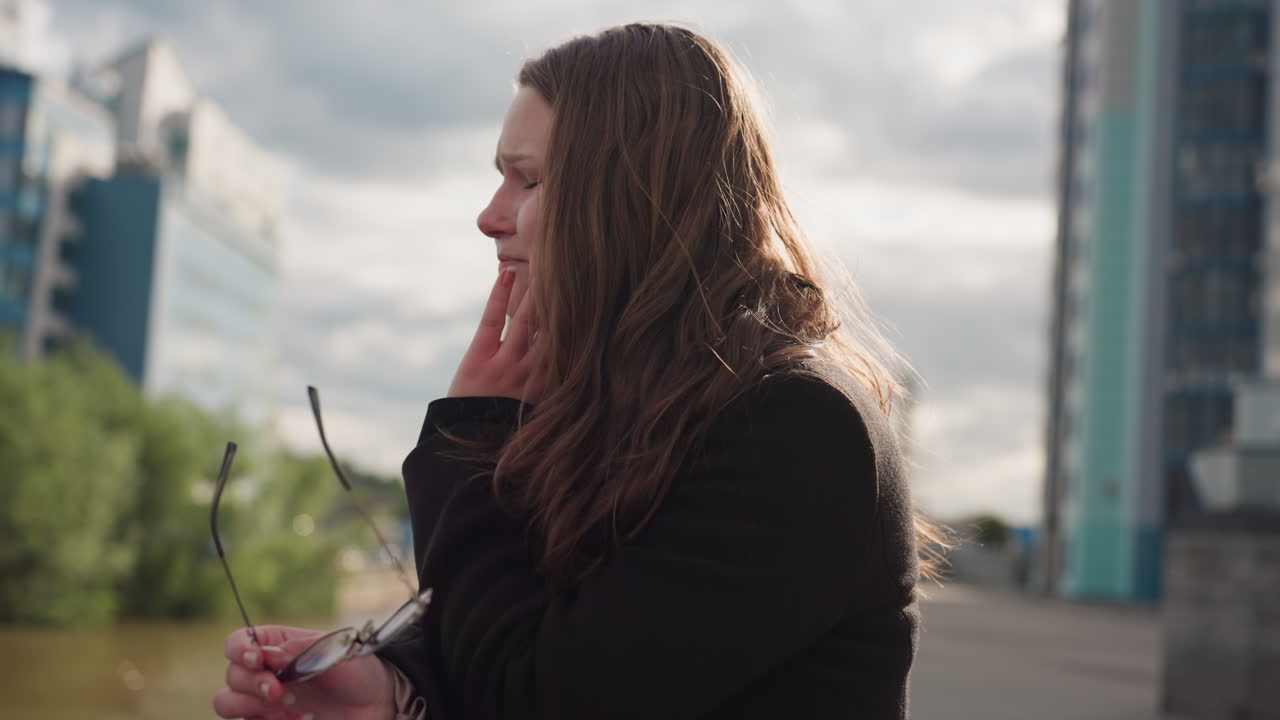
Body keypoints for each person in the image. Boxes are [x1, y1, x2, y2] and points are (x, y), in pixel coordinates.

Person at [213, 22, 945, 720]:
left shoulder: (799, 429)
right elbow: (535, 641)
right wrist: (393, 692)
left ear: (625, 201)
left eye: (526, 182)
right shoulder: (613, 413)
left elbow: (543, 698)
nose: (489, 216)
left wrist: (469, 439)